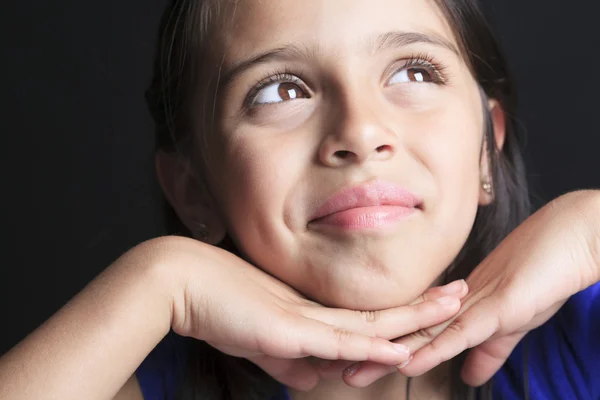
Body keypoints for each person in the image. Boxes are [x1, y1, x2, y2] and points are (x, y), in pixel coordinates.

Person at [0, 0, 599, 399]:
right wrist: (158, 278)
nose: (361, 133)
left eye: (414, 73)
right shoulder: (139, 383)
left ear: (484, 153)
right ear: (193, 191)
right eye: (280, 90)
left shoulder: (579, 340)